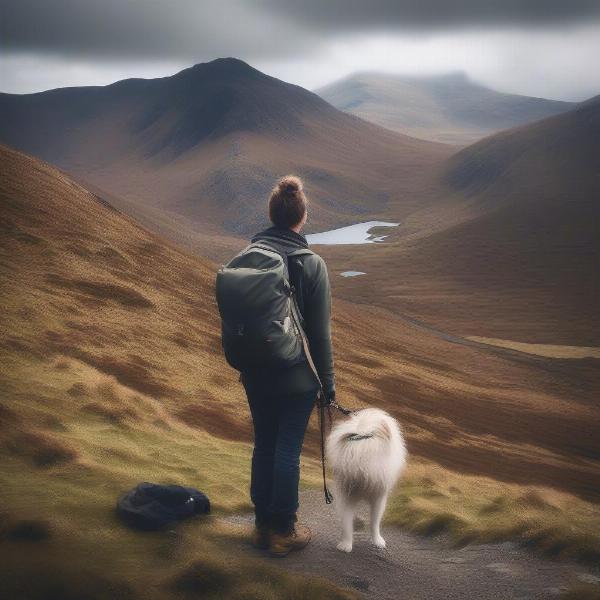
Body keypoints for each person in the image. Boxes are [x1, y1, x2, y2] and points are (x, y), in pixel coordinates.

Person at [240, 175, 335, 557]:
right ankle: (283, 530)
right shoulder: (311, 264)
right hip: (296, 376)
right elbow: (320, 335)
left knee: (263, 444)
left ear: (271, 214)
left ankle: (262, 523)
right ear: (302, 217)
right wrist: (328, 385)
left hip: (255, 372)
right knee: (286, 450)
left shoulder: (248, 255)